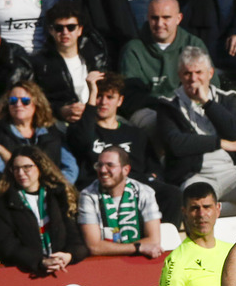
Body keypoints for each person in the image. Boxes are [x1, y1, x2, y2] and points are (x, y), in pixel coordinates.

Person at [157, 47, 236, 214]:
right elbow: (176, 143)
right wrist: (220, 143)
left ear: (210, 73)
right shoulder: (168, 105)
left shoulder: (227, 98)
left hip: (231, 173)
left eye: (198, 72)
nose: (193, 79)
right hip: (195, 176)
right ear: (180, 75)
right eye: (187, 73)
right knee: (195, 199)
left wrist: (206, 102)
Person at [66, 72, 179, 225]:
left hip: (135, 187)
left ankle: (163, 243)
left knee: (172, 194)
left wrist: (151, 177)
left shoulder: (135, 134)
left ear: (120, 101)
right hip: (100, 188)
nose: (103, 102)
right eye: (99, 96)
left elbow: (154, 167)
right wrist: (91, 94)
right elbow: (83, 140)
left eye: (110, 97)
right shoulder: (83, 131)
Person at [0, 145, 88, 275]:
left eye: (27, 167)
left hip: (64, 270)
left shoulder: (60, 196)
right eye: (16, 168)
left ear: (40, 167)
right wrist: (39, 261)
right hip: (26, 275)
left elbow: (76, 236)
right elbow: (5, 246)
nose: (21, 173)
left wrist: (69, 255)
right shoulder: (5, 203)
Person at [119, 0, 212, 110]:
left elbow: (210, 87)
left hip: (190, 108)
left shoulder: (194, 45)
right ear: (147, 17)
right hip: (149, 111)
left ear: (179, 18)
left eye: (166, 18)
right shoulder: (133, 49)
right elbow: (130, 96)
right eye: (154, 18)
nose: (159, 24)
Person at [78, 145, 163, 257]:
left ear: (126, 170)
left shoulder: (144, 192)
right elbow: (94, 247)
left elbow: (154, 240)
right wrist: (138, 248)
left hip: (139, 261)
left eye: (110, 165)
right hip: (104, 264)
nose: (103, 170)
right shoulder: (88, 195)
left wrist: (117, 248)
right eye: (99, 165)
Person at [33, 3, 110, 125]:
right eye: (59, 28)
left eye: (71, 27)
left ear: (80, 30)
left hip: (97, 117)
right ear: (51, 30)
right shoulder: (40, 63)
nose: (65, 32)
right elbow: (35, 100)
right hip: (61, 123)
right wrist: (60, 110)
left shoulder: (96, 56)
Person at [0, 81, 80, 183]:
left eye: (25, 101)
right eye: (13, 100)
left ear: (36, 103)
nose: (18, 104)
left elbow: (70, 169)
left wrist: (54, 188)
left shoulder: (53, 133)